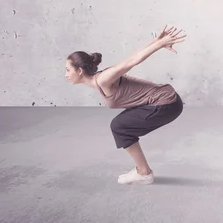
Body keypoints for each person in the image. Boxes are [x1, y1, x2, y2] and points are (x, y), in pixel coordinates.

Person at [65, 25, 187, 185]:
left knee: (119, 126)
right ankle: (142, 171)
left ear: (79, 71)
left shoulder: (103, 79)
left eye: (68, 70)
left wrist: (160, 44)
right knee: (121, 125)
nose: (66, 74)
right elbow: (132, 56)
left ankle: (144, 173)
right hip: (166, 101)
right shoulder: (100, 80)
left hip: (167, 103)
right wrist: (156, 41)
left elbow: (132, 62)